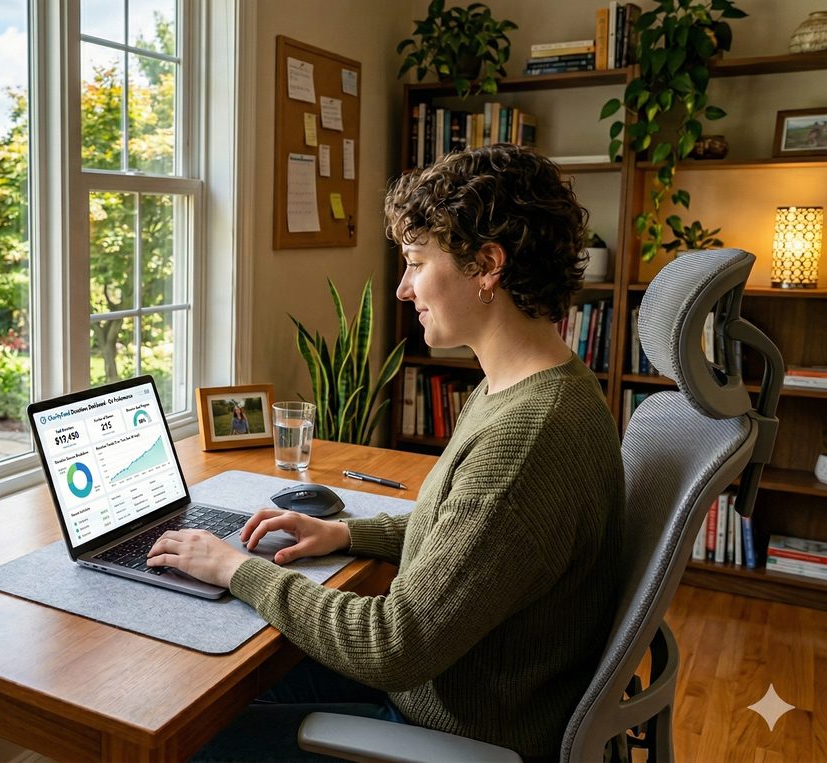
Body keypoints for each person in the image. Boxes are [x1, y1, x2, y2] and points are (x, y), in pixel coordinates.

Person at [148, 144, 625, 761]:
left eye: (416, 262)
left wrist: (235, 568)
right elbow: (472, 537)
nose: (402, 289)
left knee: (183, 737)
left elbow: (393, 644)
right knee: (216, 682)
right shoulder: (542, 385)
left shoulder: (525, 438)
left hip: (452, 727)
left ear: (487, 264)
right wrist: (345, 534)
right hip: (460, 686)